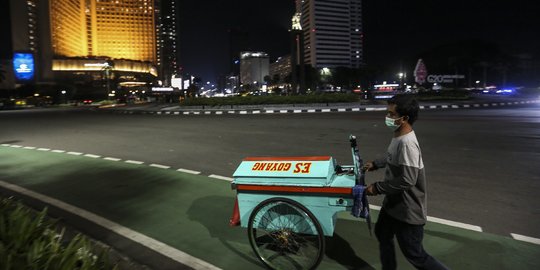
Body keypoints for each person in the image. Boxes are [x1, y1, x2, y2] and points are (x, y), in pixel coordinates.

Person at [363, 95, 449, 270]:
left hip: (408, 210)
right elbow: (393, 158)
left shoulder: (408, 143)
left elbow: (407, 180)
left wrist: (377, 187)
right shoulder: (399, 136)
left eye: (392, 114)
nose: (388, 117)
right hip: (394, 204)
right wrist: (377, 164)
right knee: (382, 233)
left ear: (405, 118)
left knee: (415, 255)